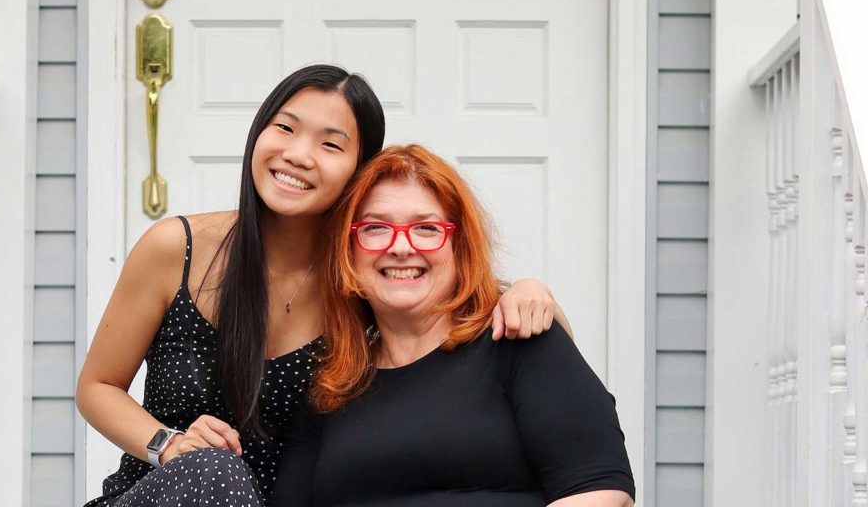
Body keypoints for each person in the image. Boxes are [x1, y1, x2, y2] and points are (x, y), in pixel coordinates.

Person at [77, 66, 571, 507]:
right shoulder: (176, 249)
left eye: (330, 144)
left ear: (360, 171)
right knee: (213, 471)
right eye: (285, 128)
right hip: (165, 494)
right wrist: (169, 443)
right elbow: (97, 387)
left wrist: (528, 291)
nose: (298, 155)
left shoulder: (364, 282)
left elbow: (470, 305)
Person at [272, 144, 635, 507]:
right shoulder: (332, 383)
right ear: (349, 249)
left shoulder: (517, 340)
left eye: (427, 228)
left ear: (460, 247)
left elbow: (599, 490)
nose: (401, 247)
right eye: (376, 227)